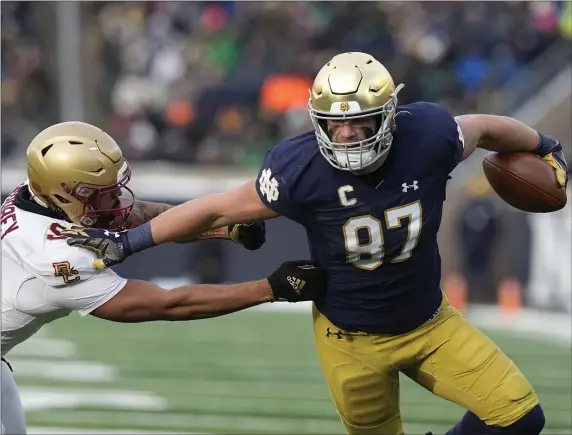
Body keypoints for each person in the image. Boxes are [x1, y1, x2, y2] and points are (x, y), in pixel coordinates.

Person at [64, 53, 568, 435]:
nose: (347, 136)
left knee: (522, 418)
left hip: (430, 323)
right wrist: (127, 243)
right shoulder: (299, 167)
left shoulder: (429, 133)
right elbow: (214, 208)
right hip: (349, 341)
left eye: (360, 123)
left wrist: (543, 145)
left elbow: (483, 127)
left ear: (390, 115)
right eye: (335, 124)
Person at [0, 121, 327, 435]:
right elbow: (168, 304)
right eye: (102, 194)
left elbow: (137, 216)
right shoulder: (57, 255)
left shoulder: (36, 198)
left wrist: (225, 228)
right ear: (66, 195)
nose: (116, 200)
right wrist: (270, 288)